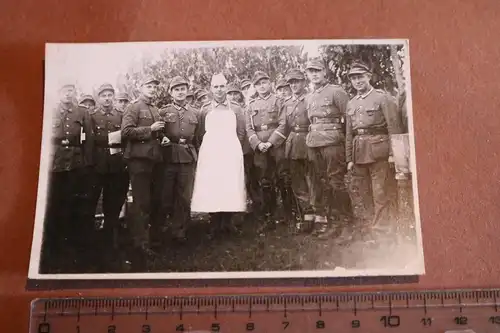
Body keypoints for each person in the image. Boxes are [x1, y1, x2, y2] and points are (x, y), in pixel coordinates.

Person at [41, 83, 94, 273]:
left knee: (72, 203)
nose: (68, 94)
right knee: (54, 203)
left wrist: (87, 163)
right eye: (64, 90)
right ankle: (53, 242)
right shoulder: (50, 110)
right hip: (54, 163)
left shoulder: (82, 112)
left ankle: (70, 243)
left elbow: (88, 138)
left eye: (71, 90)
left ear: (74, 92)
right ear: (59, 93)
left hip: (75, 164)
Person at [345, 61, 403, 232]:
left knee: (380, 191)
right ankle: (372, 223)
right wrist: (349, 158)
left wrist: (394, 153)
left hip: (379, 151)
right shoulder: (351, 103)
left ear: (368, 76)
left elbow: (394, 127)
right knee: (364, 192)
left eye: (360, 77)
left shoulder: (382, 97)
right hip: (359, 152)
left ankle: (383, 228)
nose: (357, 81)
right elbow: (349, 134)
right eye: (354, 78)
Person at [192, 74, 247, 234]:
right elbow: (201, 132)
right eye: (216, 86)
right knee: (213, 184)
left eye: (222, 86)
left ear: (226, 86)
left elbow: (241, 132)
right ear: (211, 88)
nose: (219, 90)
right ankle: (214, 223)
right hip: (211, 152)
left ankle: (228, 222)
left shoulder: (236, 108)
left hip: (230, 151)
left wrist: (233, 148)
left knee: (230, 184)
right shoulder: (205, 110)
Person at [305, 59, 352, 239]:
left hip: (333, 142)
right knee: (322, 183)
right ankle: (333, 223)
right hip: (314, 143)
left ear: (325, 72)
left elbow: (349, 120)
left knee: (336, 182)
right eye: (311, 71)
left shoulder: (336, 92)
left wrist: (348, 147)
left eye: (317, 71)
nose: (314, 74)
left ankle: (347, 224)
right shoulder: (309, 96)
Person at [121, 75, 164, 269]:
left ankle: (150, 242)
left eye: (155, 86)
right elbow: (126, 132)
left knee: (153, 202)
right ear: (140, 87)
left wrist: (161, 138)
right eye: (149, 85)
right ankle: (139, 245)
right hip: (138, 161)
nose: (152, 88)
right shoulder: (133, 107)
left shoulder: (155, 109)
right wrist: (150, 129)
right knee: (141, 203)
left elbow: (156, 133)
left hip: (154, 160)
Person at [88, 83, 129, 271]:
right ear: (98, 98)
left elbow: (125, 138)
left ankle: (111, 241)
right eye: (103, 95)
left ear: (113, 97)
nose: (107, 98)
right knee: (91, 203)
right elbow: (87, 141)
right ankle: (90, 244)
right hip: (97, 166)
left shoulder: (120, 116)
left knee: (113, 204)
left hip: (117, 166)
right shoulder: (91, 116)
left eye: (109, 95)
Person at [246, 71, 293, 230]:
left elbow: (283, 124)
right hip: (260, 147)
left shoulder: (279, 101)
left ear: (270, 83)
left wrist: (271, 142)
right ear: (255, 87)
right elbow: (249, 128)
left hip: (277, 145)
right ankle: (269, 217)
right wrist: (258, 144)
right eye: (258, 84)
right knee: (265, 181)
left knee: (283, 178)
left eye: (264, 82)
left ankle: (289, 214)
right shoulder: (251, 105)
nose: (262, 86)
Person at [157, 76, 200, 241]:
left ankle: (181, 230)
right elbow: (157, 132)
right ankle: (162, 227)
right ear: (170, 93)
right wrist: (162, 138)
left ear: (187, 91)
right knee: (165, 194)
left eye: (183, 89)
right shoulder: (163, 111)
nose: (180, 92)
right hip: (168, 156)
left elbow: (198, 137)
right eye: (176, 89)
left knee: (184, 195)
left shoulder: (195, 113)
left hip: (188, 156)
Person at [282, 69, 315, 231]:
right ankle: (306, 217)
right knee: (297, 182)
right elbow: (284, 126)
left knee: (314, 180)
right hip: (294, 144)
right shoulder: (286, 103)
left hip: (309, 141)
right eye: (291, 82)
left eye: (297, 81)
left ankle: (320, 216)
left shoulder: (310, 99)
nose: (294, 85)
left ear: (304, 82)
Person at [227, 83, 260, 216]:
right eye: (230, 94)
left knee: (251, 177)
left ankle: (257, 206)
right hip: (231, 150)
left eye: (236, 93)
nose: (233, 96)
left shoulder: (247, 106)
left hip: (247, 149)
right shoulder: (226, 110)